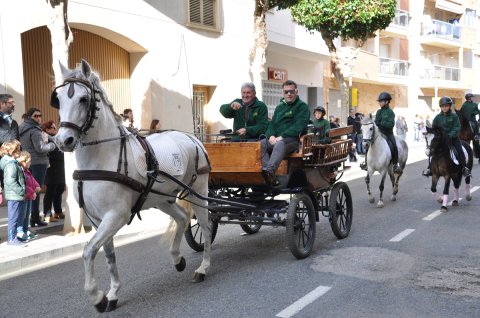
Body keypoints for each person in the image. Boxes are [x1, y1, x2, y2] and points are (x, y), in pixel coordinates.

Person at [261, 80, 309, 186]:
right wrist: (271, 135)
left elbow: (299, 126)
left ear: (296, 92)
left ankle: (270, 172)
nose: (289, 94)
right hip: (277, 139)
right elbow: (272, 125)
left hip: (293, 140)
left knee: (280, 143)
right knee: (262, 143)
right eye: (286, 92)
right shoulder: (279, 107)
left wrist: (281, 137)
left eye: (291, 91)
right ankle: (264, 172)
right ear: (283, 93)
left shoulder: (302, 107)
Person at [19, 107, 56, 226]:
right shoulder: (34, 130)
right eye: (36, 116)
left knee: (29, 190)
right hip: (38, 162)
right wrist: (52, 145)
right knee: (36, 189)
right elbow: (40, 148)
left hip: (27, 162)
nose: (39, 118)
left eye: (40, 115)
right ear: (29, 116)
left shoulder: (22, 127)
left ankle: (32, 218)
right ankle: (35, 218)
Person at [423, 96, 471, 178]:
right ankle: (429, 168)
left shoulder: (454, 116)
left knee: (460, 151)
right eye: (443, 106)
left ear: (449, 106)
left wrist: (450, 135)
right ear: (440, 107)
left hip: (453, 138)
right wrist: (430, 131)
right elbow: (434, 128)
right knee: (432, 151)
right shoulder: (438, 117)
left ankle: (464, 168)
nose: (444, 108)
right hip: (441, 140)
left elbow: (457, 127)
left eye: (446, 106)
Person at [0, 139, 26, 246]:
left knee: (15, 216)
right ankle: (11, 239)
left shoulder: (12, 162)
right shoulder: (11, 164)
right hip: (14, 194)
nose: (20, 151)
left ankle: (14, 237)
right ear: (12, 151)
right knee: (13, 217)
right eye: (18, 149)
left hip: (15, 194)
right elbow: (10, 180)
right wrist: (21, 190)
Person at [41, 121, 66, 221]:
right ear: (47, 129)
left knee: (59, 189)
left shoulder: (56, 138)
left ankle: (58, 211)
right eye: (53, 128)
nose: (55, 130)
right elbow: (45, 150)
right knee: (51, 191)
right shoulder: (45, 137)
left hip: (59, 166)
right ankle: (47, 213)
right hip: (51, 167)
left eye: (56, 128)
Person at [374, 92, 402, 174]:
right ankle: (366, 162)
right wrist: (376, 123)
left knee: (394, 146)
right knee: (369, 143)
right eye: (379, 101)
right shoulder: (378, 112)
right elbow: (376, 121)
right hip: (379, 133)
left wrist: (382, 124)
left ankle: (395, 165)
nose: (380, 103)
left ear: (386, 102)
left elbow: (391, 124)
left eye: (381, 101)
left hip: (388, 134)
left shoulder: (390, 112)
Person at [17, 151, 40, 241]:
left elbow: (33, 181)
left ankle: (26, 229)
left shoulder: (28, 171)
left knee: (27, 215)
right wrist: (33, 192)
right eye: (29, 161)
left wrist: (37, 185)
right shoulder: (21, 172)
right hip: (24, 197)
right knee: (22, 215)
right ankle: (20, 231)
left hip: (29, 197)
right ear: (23, 162)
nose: (30, 163)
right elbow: (24, 185)